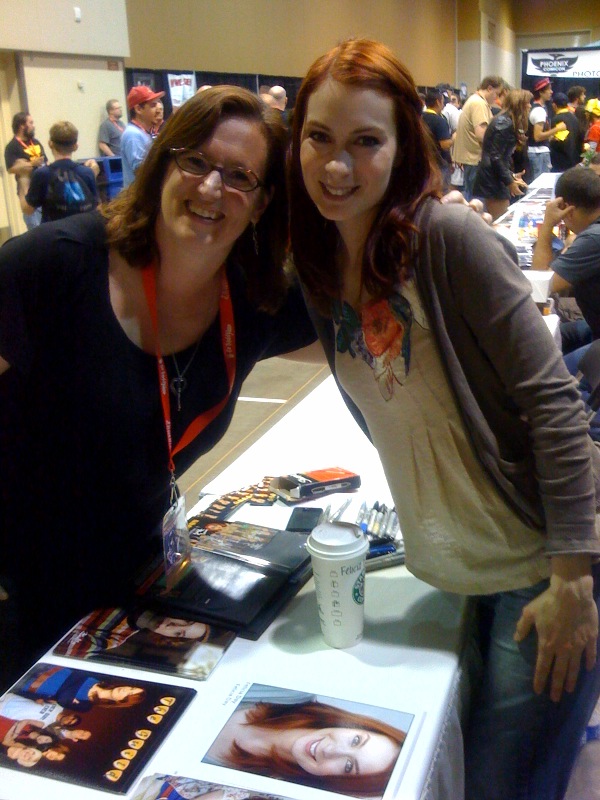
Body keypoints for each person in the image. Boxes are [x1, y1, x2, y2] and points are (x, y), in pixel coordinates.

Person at [288, 38, 600, 800]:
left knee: (504, 786)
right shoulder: (323, 267)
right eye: (319, 138)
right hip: (456, 569)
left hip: (538, 569)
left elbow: (556, 406)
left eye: (366, 142)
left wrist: (574, 580)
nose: (337, 166)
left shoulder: (448, 240)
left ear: (402, 147)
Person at [0, 86, 317, 690]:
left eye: (239, 176)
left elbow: (364, 327)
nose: (209, 188)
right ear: (162, 164)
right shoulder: (52, 266)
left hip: (137, 589)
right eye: (193, 161)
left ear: (262, 201)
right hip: (20, 595)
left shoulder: (254, 298)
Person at [203, 686, 406, 796]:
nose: (331, 749)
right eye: (355, 740)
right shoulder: (288, 694)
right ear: (352, 725)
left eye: (348, 766)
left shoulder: (251, 791)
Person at [532, 167, 600, 366]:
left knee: (553, 376)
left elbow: (540, 285)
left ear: (567, 209)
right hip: (593, 326)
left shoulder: (593, 239)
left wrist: (547, 226)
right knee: (551, 336)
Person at [17, 120, 99, 223]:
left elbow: (27, 209)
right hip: (82, 234)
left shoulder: (43, 174)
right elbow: (95, 207)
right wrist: (93, 175)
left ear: (50, 144)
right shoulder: (87, 173)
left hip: (54, 236)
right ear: (75, 146)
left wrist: (23, 180)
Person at [472, 88, 530, 220]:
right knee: (500, 220)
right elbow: (496, 157)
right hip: (492, 180)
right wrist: (509, 181)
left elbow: (498, 156)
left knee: (500, 218)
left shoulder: (505, 121)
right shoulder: (504, 123)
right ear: (519, 104)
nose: (529, 106)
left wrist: (511, 176)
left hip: (493, 177)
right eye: (527, 102)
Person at [452, 74, 503, 200]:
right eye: (496, 93)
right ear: (489, 88)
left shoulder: (474, 100)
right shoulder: (478, 104)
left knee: (472, 196)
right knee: (477, 201)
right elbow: (481, 134)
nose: (496, 98)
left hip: (472, 159)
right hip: (475, 159)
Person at [3, 111, 47, 229]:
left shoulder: (36, 142)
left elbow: (45, 162)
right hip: (29, 192)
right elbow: (11, 169)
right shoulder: (12, 147)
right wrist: (32, 163)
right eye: (31, 123)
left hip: (45, 190)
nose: (33, 126)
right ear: (22, 125)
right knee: (36, 229)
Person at [121, 85, 165, 187]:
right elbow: (140, 171)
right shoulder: (133, 134)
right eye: (153, 105)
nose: (158, 110)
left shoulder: (145, 132)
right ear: (138, 109)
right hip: (138, 197)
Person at [527, 77, 567, 181]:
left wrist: (551, 137)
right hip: (538, 154)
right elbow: (537, 136)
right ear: (540, 92)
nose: (551, 92)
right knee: (540, 185)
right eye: (549, 89)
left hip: (538, 152)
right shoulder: (539, 111)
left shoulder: (539, 108)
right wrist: (557, 129)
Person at [421, 89, 453, 191]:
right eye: (443, 102)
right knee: (441, 193)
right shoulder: (439, 121)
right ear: (438, 102)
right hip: (439, 163)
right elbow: (445, 144)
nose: (443, 105)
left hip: (423, 162)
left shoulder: (419, 118)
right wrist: (454, 138)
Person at [549, 92, 582, 172]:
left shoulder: (557, 119)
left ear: (554, 105)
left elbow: (560, 141)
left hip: (562, 161)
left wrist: (550, 140)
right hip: (575, 160)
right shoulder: (574, 117)